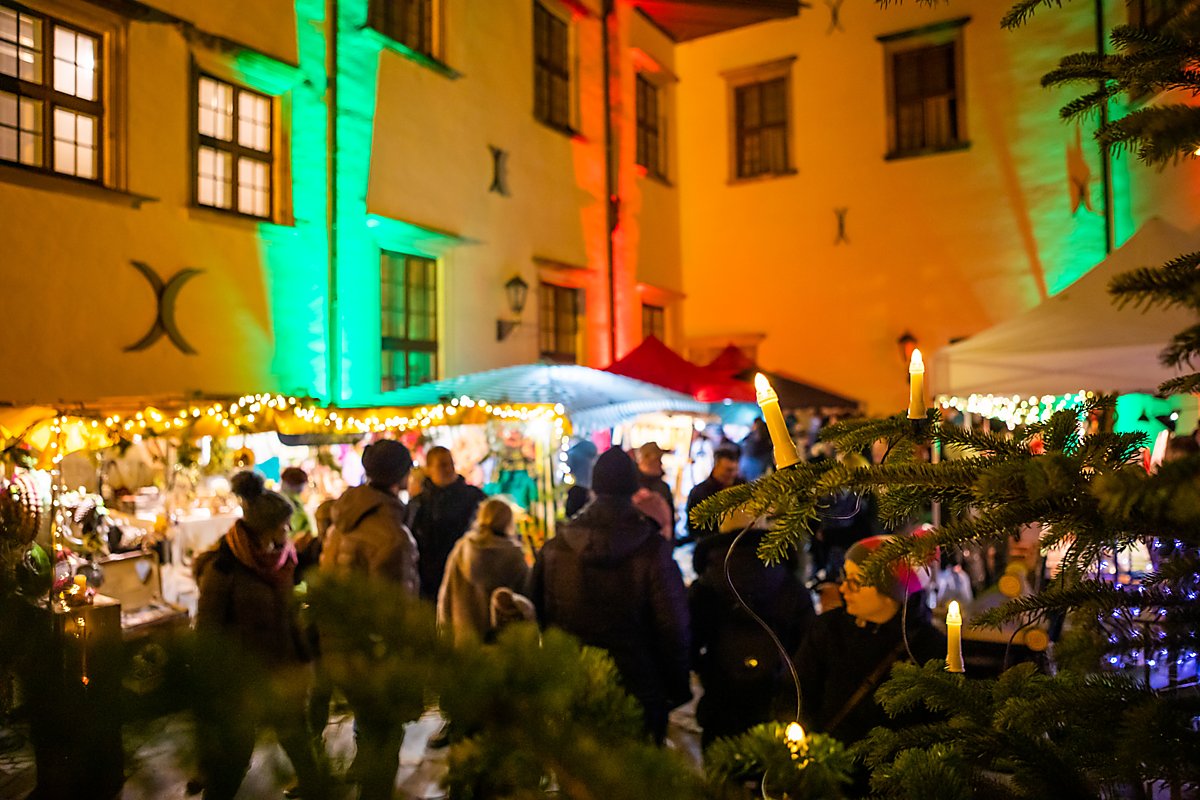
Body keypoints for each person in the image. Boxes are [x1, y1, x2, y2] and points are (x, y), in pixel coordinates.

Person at [526, 447, 691, 744]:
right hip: (638, 690)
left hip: (573, 685)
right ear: (633, 486)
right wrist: (674, 689)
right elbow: (674, 627)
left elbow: (536, 614)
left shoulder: (554, 548)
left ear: (595, 486)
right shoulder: (653, 551)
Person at [193, 471, 326, 800]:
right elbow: (208, 631)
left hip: (283, 668)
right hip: (242, 677)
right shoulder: (223, 570)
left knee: (297, 739)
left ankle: (318, 791)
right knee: (235, 754)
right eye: (283, 524)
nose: (288, 530)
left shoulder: (283, 559)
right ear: (264, 528)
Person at [319, 439, 420, 800]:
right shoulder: (391, 536)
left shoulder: (342, 521)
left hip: (338, 645)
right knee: (386, 736)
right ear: (404, 475)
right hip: (373, 654)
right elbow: (394, 613)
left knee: (369, 725)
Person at [792, 535, 945, 748]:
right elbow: (797, 692)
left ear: (890, 592)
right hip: (828, 766)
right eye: (844, 578)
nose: (843, 589)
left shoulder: (928, 648)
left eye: (855, 583)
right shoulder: (828, 629)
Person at [690, 512, 814, 749]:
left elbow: (690, 638)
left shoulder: (707, 583)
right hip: (772, 691)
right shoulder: (789, 583)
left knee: (721, 762)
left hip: (721, 688)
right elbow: (806, 642)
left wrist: (700, 666)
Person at [437, 498, 530, 646]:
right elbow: (524, 603)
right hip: (500, 645)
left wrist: (445, 636)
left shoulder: (462, 549)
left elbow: (446, 597)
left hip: (464, 641)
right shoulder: (514, 557)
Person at [408, 446, 487, 601]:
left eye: (450, 463)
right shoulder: (418, 505)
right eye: (442, 465)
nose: (448, 469)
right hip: (430, 582)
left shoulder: (473, 498)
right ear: (429, 469)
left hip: (467, 575)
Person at [684, 447, 742, 546]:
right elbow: (693, 526)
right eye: (728, 470)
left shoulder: (741, 487)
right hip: (711, 547)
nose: (732, 474)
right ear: (716, 466)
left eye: (735, 470)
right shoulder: (700, 493)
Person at [634, 442, 676, 537]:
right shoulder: (632, 485)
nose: (660, 463)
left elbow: (670, 522)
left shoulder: (663, 487)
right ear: (646, 458)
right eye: (657, 459)